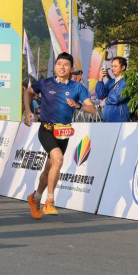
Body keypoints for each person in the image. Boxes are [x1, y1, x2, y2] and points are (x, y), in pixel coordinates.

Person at [24, 52, 97, 218]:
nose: (62, 67)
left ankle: (35, 198)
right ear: (55, 66)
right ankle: (50, 201)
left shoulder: (77, 87)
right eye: (59, 64)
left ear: (71, 68)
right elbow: (27, 92)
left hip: (63, 132)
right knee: (58, 159)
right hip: (47, 129)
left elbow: (92, 109)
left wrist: (78, 105)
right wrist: (28, 111)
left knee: (50, 168)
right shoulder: (45, 83)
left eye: (66, 64)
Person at [95, 56, 130, 122]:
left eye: (115, 66)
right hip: (107, 120)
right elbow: (99, 95)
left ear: (123, 67)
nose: (113, 68)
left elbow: (117, 98)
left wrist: (106, 99)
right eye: (112, 66)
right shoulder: (110, 82)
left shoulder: (127, 81)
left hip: (120, 120)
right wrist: (100, 79)